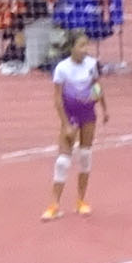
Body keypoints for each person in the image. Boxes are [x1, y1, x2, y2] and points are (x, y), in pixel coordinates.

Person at [45, 36, 103, 219]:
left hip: (88, 114)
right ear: (72, 47)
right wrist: (65, 124)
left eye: (86, 45)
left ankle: (81, 201)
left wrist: (98, 100)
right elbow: (57, 99)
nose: (85, 49)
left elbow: (98, 88)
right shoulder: (62, 68)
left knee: (85, 156)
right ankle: (54, 205)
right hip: (70, 115)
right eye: (81, 45)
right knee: (63, 161)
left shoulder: (92, 64)